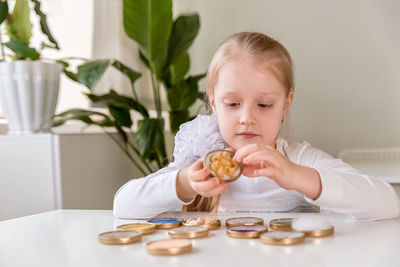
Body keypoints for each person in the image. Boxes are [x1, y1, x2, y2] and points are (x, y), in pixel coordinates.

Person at [113, 32, 400, 220]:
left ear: (286, 104)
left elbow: (388, 204)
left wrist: (297, 176)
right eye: (233, 104)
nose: (246, 118)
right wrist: (184, 182)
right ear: (213, 102)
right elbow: (123, 205)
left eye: (263, 105)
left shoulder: (298, 159)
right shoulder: (199, 161)